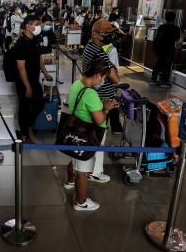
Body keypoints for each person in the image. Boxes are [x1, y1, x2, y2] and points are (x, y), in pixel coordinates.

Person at [63, 58, 118, 211]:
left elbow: (82, 104)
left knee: (75, 160)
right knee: (83, 170)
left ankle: (69, 182)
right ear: (98, 75)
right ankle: (80, 202)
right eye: (104, 77)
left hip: (75, 132)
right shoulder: (90, 94)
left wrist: (99, 103)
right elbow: (100, 120)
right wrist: (106, 109)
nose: (104, 80)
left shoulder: (77, 84)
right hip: (86, 136)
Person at [82, 19, 122, 156]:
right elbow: (116, 78)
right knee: (99, 131)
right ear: (95, 35)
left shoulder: (90, 48)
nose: (109, 36)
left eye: (110, 33)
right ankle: (95, 169)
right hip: (101, 98)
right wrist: (112, 68)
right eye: (105, 33)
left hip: (97, 95)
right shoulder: (99, 53)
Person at [14, 15, 53, 144]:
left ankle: (25, 126)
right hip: (24, 82)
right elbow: (20, 67)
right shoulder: (21, 43)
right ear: (28, 26)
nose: (39, 26)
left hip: (34, 79)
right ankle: (24, 134)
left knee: (39, 103)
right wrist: (27, 86)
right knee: (24, 107)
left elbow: (38, 58)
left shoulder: (34, 40)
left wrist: (46, 73)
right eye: (37, 24)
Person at [150, 11, 181, 88]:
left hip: (160, 49)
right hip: (169, 49)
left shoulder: (161, 27)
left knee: (158, 64)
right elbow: (177, 39)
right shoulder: (176, 28)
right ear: (174, 19)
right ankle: (164, 82)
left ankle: (153, 80)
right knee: (167, 66)